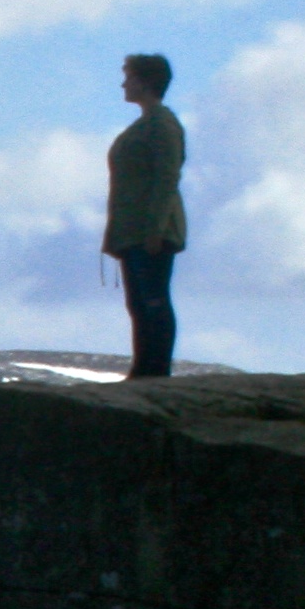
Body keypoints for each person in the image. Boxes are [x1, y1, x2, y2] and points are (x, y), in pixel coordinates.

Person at [104, 53, 187, 378]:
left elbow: (167, 177)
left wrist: (155, 228)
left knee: (153, 300)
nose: (124, 84)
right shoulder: (143, 125)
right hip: (130, 231)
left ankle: (156, 369)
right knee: (138, 304)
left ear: (146, 82)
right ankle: (143, 368)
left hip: (151, 231)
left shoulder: (162, 125)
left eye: (130, 77)